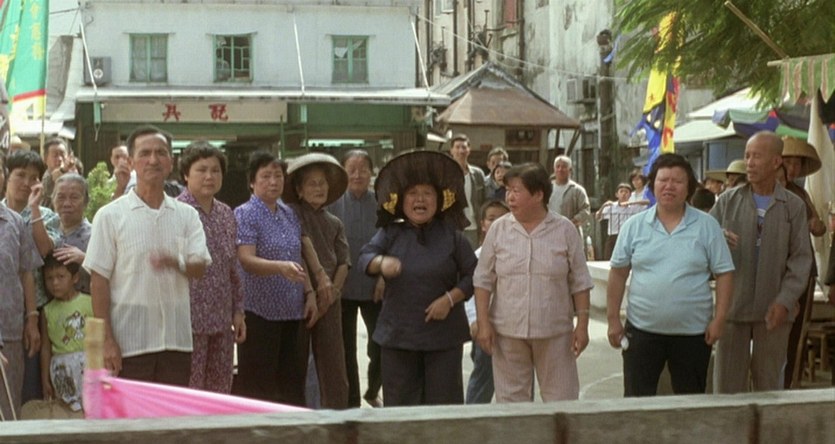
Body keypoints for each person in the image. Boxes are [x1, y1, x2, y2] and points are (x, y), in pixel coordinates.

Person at [83, 125, 212, 386]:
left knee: (170, 411)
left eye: (161, 153)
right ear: (131, 162)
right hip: (129, 344)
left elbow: (200, 267)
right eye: (145, 153)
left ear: (171, 162)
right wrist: (107, 340)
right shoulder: (110, 216)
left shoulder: (187, 215)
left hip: (176, 342)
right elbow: (99, 282)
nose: (153, 160)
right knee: (129, 413)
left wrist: (175, 262)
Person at [606, 153, 734, 397]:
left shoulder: (707, 226)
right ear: (653, 185)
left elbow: (725, 273)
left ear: (689, 187)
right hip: (641, 331)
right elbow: (618, 273)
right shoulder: (634, 226)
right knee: (636, 401)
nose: (669, 186)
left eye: (677, 181)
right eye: (663, 180)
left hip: (693, 334)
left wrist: (720, 319)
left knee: (690, 402)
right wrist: (613, 319)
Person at [358, 150, 476, 406]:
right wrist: (381, 263)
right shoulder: (390, 233)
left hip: (444, 338)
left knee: (443, 406)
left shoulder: (453, 235)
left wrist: (450, 299)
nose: (420, 199)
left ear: (439, 200)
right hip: (399, 336)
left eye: (427, 193)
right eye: (412, 193)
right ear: (401, 201)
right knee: (401, 407)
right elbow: (365, 257)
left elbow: (473, 275)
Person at [474, 162, 593, 402]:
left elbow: (580, 282)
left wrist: (582, 325)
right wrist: (483, 323)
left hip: (555, 333)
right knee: (512, 404)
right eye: (508, 190)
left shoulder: (565, 230)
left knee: (562, 401)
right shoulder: (498, 230)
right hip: (507, 333)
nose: (509, 197)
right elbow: (483, 280)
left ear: (538, 194)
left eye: (516, 191)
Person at [710, 131, 812, 393]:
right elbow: (702, 241)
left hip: (774, 310)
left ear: (776, 161)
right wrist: (717, 238)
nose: (749, 163)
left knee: (769, 386)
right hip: (732, 308)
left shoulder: (793, 206)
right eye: (747, 156)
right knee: (727, 388)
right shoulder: (728, 201)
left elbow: (801, 259)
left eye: (756, 156)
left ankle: (766, 424)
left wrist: (785, 300)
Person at [233, 151, 317, 406]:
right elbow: (246, 259)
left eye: (278, 176)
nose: (273, 182)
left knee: (291, 383)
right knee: (259, 386)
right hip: (259, 312)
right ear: (252, 182)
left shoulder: (289, 213)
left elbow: (297, 256)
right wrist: (279, 268)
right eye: (266, 176)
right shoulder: (245, 213)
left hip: (292, 310)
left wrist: (309, 293)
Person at [176, 142, 245, 394]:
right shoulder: (176, 211)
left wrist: (238, 310)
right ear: (186, 174)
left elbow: (233, 266)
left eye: (215, 171)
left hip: (222, 319)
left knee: (220, 389)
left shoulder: (226, 214)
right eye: (201, 170)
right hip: (187, 321)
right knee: (190, 390)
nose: (209, 176)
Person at [284, 153, 350, 409]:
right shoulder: (292, 214)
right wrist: (314, 289)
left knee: (334, 361)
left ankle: (336, 415)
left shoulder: (335, 222)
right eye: (312, 183)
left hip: (330, 298)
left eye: (322, 183)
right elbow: (299, 249)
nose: (319, 188)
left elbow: (344, 261)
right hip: (299, 295)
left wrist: (332, 292)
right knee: (298, 360)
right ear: (299, 190)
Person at [3, 150, 61, 404]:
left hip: (29, 313)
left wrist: (34, 208)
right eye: (20, 175)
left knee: (24, 389)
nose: (26, 182)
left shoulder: (42, 216)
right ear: (7, 176)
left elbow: (43, 252)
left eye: (34, 177)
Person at [328, 149, 383, 408]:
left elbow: (393, 241)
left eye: (363, 169)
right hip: (342, 286)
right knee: (346, 348)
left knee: (380, 345)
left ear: (372, 173)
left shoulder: (383, 204)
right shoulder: (333, 203)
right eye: (351, 169)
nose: (357, 174)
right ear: (342, 172)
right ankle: (351, 403)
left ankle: (373, 389)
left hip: (375, 286)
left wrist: (384, 278)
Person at [778, 136, 826, 388]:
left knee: (796, 332)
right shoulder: (764, 193)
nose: (793, 168)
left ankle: (791, 384)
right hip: (775, 271)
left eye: (797, 164)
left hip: (803, 271)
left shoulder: (801, 194)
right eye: (789, 162)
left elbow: (818, 227)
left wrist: (817, 225)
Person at [0, 154, 42, 420]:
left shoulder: (15, 222)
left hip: (10, 331)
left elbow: (27, 273)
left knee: (9, 406)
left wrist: (32, 320)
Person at [464, 199, 509, 404]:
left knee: (517, 381)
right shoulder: (476, 257)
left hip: (514, 328)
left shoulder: (518, 252)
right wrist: (475, 320)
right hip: (486, 327)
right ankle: (472, 418)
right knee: (483, 379)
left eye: (502, 218)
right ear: (482, 224)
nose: (497, 223)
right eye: (491, 219)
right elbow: (471, 292)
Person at [39, 253, 93, 412]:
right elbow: (45, 348)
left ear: (75, 278)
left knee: (91, 409)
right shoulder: (47, 311)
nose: (55, 283)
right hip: (62, 369)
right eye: (49, 278)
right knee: (67, 411)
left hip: (88, 365)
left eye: (61, 277)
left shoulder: (89, 302)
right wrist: (44, 379)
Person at [52, 174, 92, 295]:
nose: (67, 204)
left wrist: (84, 259)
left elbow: (111, 276)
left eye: (74, 197)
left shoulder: (95, 235)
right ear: (52, 200)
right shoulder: (45, 232)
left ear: (86, 202)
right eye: (61, 197)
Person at [449, 134, 486, 247]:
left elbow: (484, 201)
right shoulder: (445, 173)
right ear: (451, 150)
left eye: (464, 147)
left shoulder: (478, 174)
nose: (461, 151)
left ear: (469, 150)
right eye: (457, 147)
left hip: (473, 225)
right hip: (453, 225)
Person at [595, 183, 646, 260]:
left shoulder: (633, 207)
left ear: (630, 195)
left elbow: (648, 203)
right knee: (608, 259)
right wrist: (604, 206)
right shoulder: (611, 206)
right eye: (621, 191)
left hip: (628, 237)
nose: (623, 194)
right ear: (617, 194)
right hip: (613, 236)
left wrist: (632, 202)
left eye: (626, 192)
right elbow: (598, 217)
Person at [547, 155, 590, 237]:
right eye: (558, 167)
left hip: (570, 233)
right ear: (554, 169)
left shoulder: (577, 190)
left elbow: (585, 210)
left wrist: (571, 222)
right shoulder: (547, 188)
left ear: (570, 170)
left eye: (564, 167)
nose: (560, 169)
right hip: (549, 232)